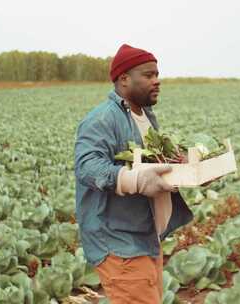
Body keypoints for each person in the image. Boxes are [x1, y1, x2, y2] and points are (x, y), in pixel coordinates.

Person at [74, 43, 193, 303]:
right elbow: (87, 167)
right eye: (149, 75)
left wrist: (186, 168)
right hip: (118, 242)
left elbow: (151, 166)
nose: (157, 81)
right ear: (124, 79)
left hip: (145, 236)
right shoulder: (102, 119)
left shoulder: (145, 116)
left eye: (157, 74)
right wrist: (136, 179)